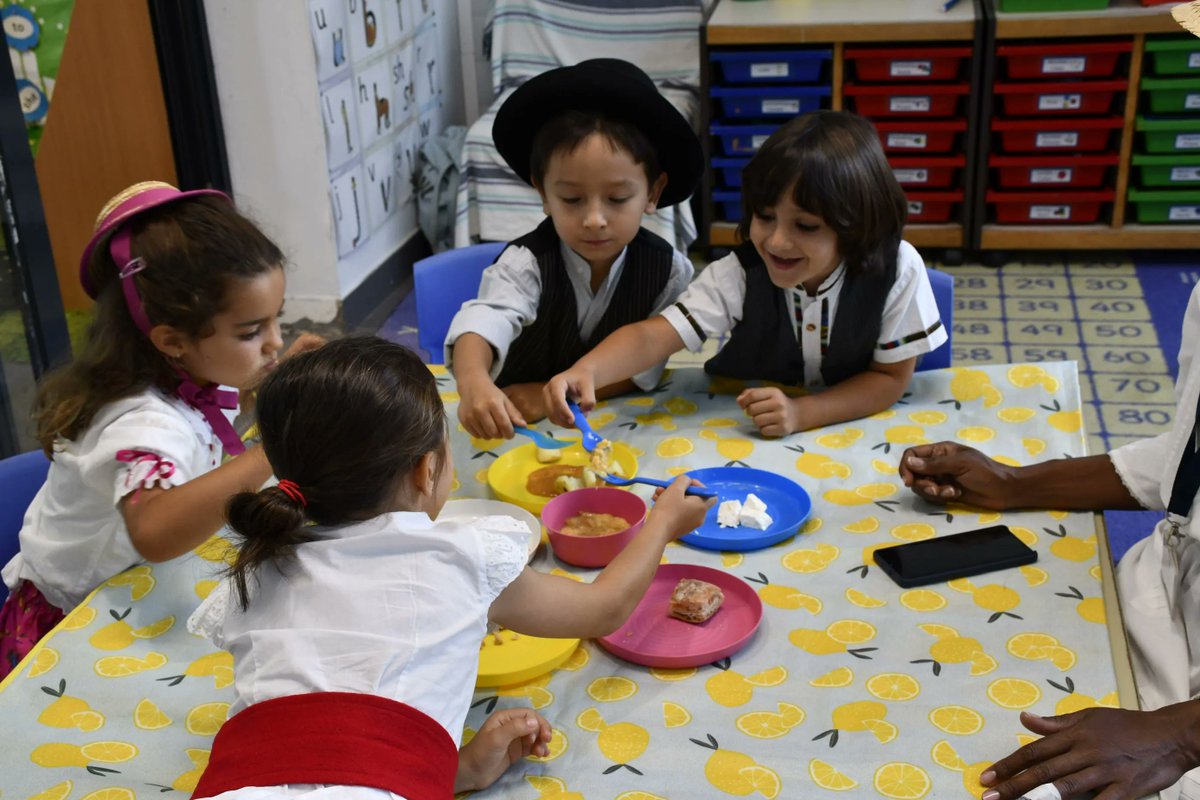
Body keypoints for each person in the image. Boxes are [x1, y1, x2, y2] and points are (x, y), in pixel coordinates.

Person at [186, 336, 714, 797]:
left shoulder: (257, 566)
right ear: (427, 469)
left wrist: (451, 770)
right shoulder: (460, 555)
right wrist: (662, 524)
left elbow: (315, 750)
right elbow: (603, 608)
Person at [0, 181, 322, 677]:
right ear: (172, 339)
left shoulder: (187, 373)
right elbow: (153, 530)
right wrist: (272, 451)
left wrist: (280, 382)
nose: (274, 342)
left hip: (137, 594)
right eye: (250, 332)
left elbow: (208, 428)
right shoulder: (140, 424)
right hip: (72, 631)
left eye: (275, 321)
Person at [543, 110, 947, 438]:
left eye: (805, 226)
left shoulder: (898, 268)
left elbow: (891, 378)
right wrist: (588, 370)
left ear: (858, 226)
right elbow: (653, 335)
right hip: (742, 428)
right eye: (764, 217)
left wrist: (803, 412)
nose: (776, 242)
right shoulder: (739, 273)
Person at [446, 58, 703, 440]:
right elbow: (485, 321)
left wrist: (549, 394)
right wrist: (473, 383)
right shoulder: (526, 265)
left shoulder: (669, 272)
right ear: (543, 193)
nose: (594, 219)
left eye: (617, 198)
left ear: (653, 192)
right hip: (514, 424)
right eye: (571, 198)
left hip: (610, 421)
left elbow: (643, 370)